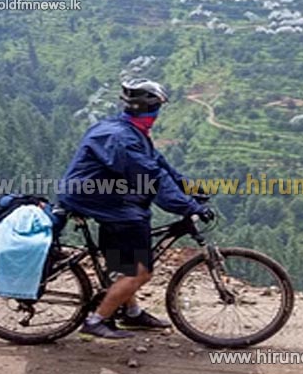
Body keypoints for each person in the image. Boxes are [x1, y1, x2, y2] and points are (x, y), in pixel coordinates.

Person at [58, 78, 214, 339]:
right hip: (93, 197)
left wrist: (189, 188)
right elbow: (152, 178)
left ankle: (131, 313)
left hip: (102, 195)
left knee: (128, 247)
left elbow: (160, 166)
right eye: (157, 108)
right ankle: (96, 320)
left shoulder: (128, 130)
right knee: (141, 268)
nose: (158, 114)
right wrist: (188, 207)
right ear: (149, 109)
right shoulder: (123, 139)